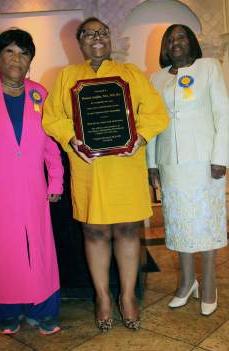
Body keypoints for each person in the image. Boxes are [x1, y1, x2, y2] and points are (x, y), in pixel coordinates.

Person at [42, 17, 169, 332]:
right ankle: (102, 297)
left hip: (124, 165)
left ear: (110, 39)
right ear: (79, 41)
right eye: (89, 33)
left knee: (127, 230)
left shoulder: (130, 74)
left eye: (103, 32)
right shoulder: (68, 76)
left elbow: (156, 113)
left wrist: (138, 138)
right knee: (95, 232)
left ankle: (127, 296)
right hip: (89, 168)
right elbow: (52, 117)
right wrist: (71, 138)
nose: (97, 37)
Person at [0, 28, 64, 334]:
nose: (16, 58)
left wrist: (56, 181)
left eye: (23, 53)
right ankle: (8, 313)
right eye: (9, 51)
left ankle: (44, 311)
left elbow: (51, 143)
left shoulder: (40, 93)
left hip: (32, 188)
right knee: (1, 251)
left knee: (38, 249)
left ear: (30, 61)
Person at [147, 24, 229, 316]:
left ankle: (208, 284)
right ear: (165, 48)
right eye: (170, 39)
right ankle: (186, 283)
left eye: (181, 36)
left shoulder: (209, 67)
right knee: (179, 224)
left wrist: (221, 156)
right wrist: (152, 164)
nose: (175, 42)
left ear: (191, 42)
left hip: (205, 162)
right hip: (171, 164)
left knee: (206, 224)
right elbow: (152, 125)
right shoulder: (156, 79)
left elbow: (223, 112)